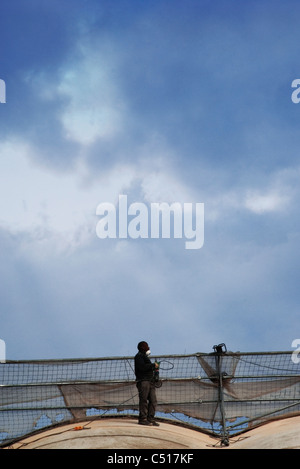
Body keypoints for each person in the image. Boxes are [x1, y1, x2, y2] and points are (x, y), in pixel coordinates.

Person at [134, 341, 160, 426]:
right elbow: (142, 368)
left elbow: (147, 367)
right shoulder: (138, 357)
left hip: (150, 381)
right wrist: (152, 365)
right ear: (142, 348)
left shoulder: (145, 357)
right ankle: (142, 419)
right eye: (147, 346)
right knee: (144, 400)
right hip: (143, 381)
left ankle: (150, 418)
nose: (148, 348)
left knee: (153, 400)